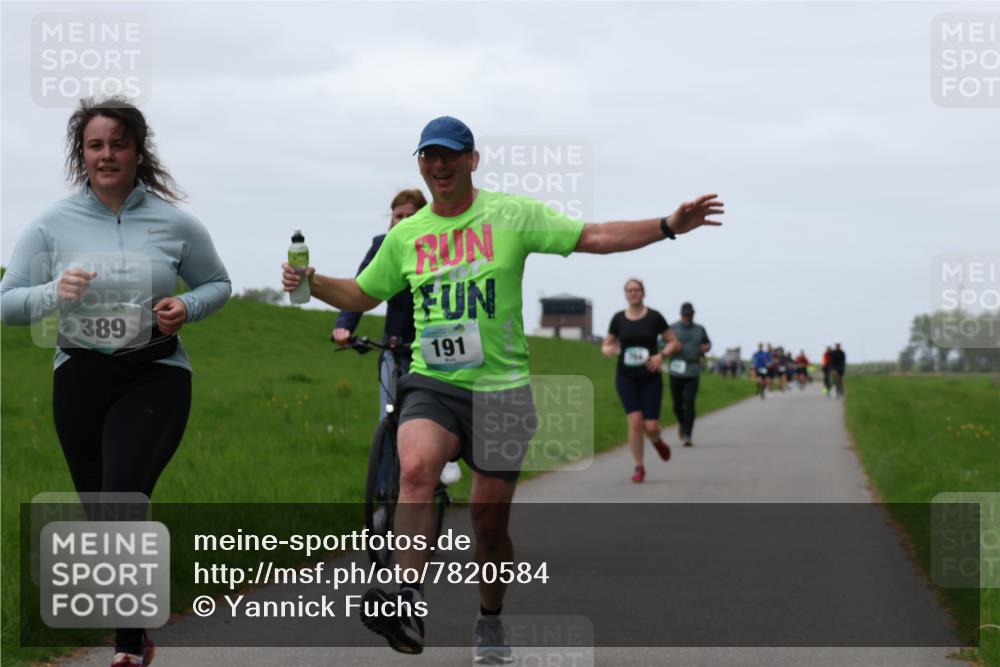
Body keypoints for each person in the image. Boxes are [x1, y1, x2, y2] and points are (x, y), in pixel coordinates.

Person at [281, 116, 724, 660]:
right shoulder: (408, 234)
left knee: (489, 530)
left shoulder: (510, 214)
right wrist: (313, 281)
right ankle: (405, 597)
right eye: (428, 157)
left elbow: (595, 236)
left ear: (472, 159)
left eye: (449, 156)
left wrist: (668, 224)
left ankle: (490, 618)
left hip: (502, 390)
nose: (438, 167)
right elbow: (362, 293)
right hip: (434, 381)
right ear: (419, 163)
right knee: (416, 469)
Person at [0, 96, 231, 667]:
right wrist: (56, 292)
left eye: (118, 143)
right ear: (83, 154)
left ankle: (127, 647)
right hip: (79, 376)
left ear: (137, 150)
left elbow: (218, 283)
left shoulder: (175, 221)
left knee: (123, 499)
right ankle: (138, 627)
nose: (107, 155)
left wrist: (186, 305)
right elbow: (8, 304)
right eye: (95, 145)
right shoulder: (51, 224)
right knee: (104, 517)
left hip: (154, 374)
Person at [331, 189, 462, 484]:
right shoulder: (382, 245)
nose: (403, 221)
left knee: (440, 413)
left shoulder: (438, 245)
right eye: (398, 216)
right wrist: (344, 326)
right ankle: (381, 503)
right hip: (394, 344)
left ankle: (442, 457)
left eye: (410, 216)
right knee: (388, 420)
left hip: (434, 344)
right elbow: (361, 287)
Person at [602, 279, 680, 482]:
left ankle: (657, 441)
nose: (633, 293)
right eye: (629, 290)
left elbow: (673, 342)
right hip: (626, 376)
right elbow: (607, 342)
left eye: (637, 290)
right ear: (626, 294)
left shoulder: (654, 317)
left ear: (643, 293)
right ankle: (639, 467)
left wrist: (661, 355)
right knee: (635, 422)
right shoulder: (618, 319)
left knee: (651, 426)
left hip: (650, 376)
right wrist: (606, 349)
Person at [667, 302, 710, 447]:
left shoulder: (700, 329)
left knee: (690, 402)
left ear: (693, 314)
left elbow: (708, 343)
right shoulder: (673, 328)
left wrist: (705, 348)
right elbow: (661, 343)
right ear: (681, 315)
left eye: (690, 315)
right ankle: (682, 422)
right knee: (677, 404)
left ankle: (687, 434)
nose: (687, 317)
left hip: (692, 370)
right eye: (685, 315)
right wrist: (672, 347)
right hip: (676, 369)